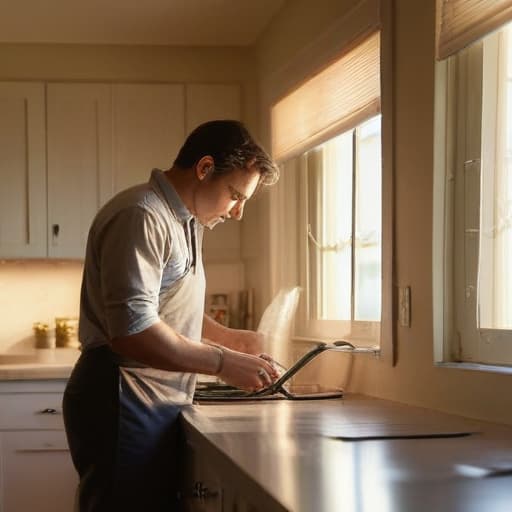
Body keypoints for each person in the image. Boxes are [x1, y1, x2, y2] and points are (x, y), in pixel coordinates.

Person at [63, 120, 280, 511]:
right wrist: (222, 361)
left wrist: (233, 340)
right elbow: (134, 332)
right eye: (235, 195)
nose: (237, 213)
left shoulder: (184, 222)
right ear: (204, 168)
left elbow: (166, 308)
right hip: (122, 397)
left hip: (150, 398)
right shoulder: (141, 216)